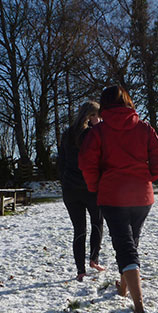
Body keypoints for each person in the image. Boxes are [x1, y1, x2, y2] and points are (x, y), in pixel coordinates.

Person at [79, 86, 158, 313]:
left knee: (124, 245)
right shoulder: (145, 128)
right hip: (142, 196)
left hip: (112, 196)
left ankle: (138, 304)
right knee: (131, 242)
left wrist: (95, 187)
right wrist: (146, 178)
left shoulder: (98, 133)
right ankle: (123, 289)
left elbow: (87, 164)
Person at [58, 101, 105, 282]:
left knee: (79, 229)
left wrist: (64, 181)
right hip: (90, 188)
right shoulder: (93, 134)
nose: (99, 119)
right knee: (97, 223)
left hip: (70, 190)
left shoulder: (67, 133)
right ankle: (94, 259)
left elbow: (60, 163)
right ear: (91, 116)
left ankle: (80, 271)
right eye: (97, 115)